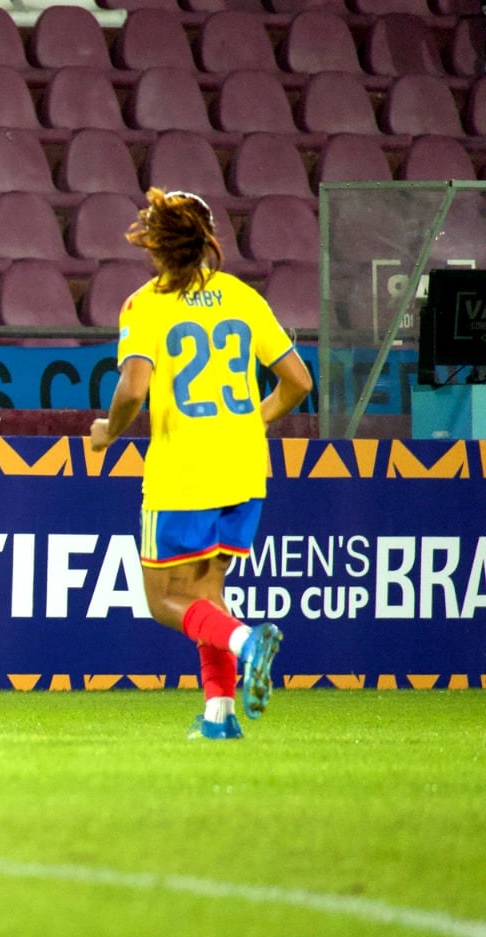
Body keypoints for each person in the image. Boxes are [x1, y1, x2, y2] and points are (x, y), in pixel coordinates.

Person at [88, 188, 313, 741]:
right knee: (208, 593)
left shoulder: (148, 303)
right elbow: (299, 382)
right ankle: (220, 716)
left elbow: (132, 389)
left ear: (156, 243)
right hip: (243, 466)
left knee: (165, 599)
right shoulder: (241, 296)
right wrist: (254, 420)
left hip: (183, 467)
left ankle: (246, 641)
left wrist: (107, 433)